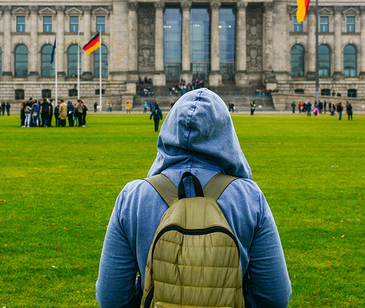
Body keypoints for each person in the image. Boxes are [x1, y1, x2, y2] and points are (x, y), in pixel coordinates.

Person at [96, 89, 291, 307]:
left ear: (170, 128)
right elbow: (276, 297)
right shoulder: (250, 198)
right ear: (225, 131)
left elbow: (111, 298)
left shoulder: (133, 197)